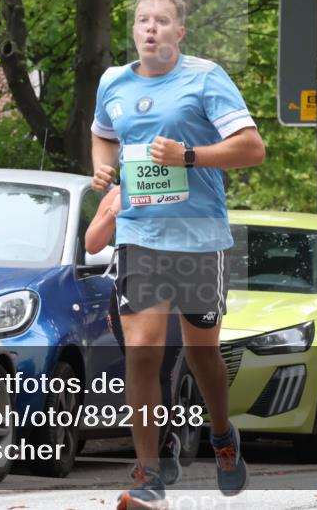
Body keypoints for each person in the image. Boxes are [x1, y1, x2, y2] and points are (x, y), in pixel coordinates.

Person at [91, 0, 265, 510]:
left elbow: (251, 149)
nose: (150, 29)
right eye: (143, 20)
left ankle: (220, 435)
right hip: (140, 234)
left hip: (198, 236)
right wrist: (101, 164)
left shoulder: (205, 77)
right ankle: (148, 474)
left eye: (161, 21)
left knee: (200, 351)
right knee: (142, 351)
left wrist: (189, 156)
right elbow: (103, 132)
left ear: (180, 31)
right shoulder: (113, 83)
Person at [84, 185, 186, 486]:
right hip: (128, 291)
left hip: (177, 291)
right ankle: (154, 453)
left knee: (160, 369)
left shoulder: (188, 185)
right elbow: (92, 244)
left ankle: (156, 451)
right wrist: (115, 210)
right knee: (140, 370)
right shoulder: (120, 190)